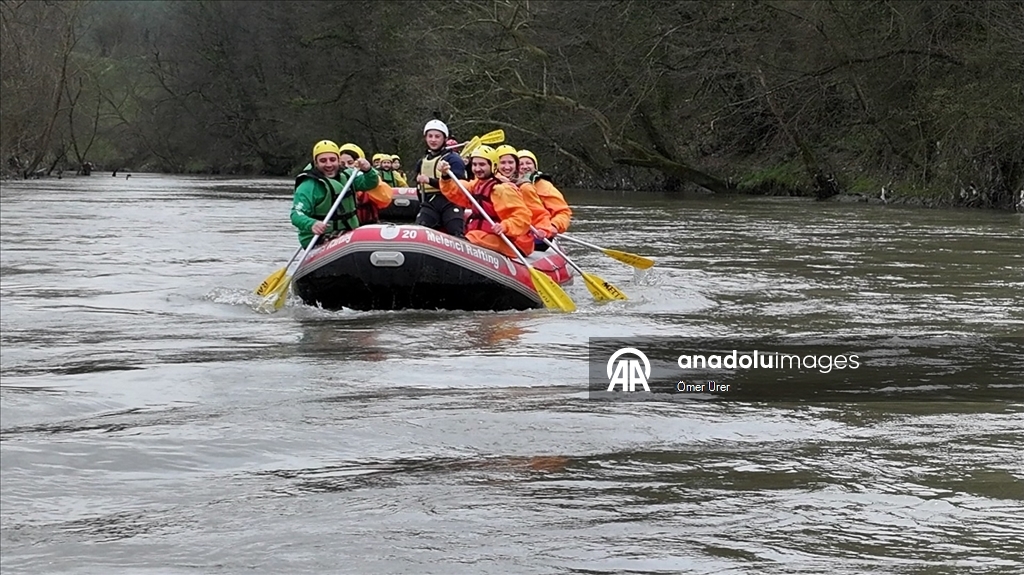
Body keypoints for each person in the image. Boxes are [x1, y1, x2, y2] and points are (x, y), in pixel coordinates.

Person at [437, 145, 534, 258]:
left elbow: (523, 217)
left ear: (493, 165)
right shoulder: (477, 185)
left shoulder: (502, 189)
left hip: (510, 242)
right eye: (475, 165)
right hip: (487, 235)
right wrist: (445, 177)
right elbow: (456, 190)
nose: (477, 169)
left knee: (474, 237)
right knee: (473, 235)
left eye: (482, 165)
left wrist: (505, 226)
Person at [290, 140, 379, 248]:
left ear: (338, 160)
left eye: (332, 160)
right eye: (323, 161)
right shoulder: (308, 185)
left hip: (347, 230)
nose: (329, 164)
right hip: (320, 237)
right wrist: (312, 223)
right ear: (316, 163)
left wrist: (368, 170)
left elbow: (370, 183)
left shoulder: (348, 175)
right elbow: (296, 214)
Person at [492, 145, 557, 251]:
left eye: (511, 163)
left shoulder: (527, 187)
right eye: (503, 163)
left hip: (518, 234)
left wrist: (551, 227)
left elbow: (537, 213)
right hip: (497, 230)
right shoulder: (487, 182)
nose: (507, 167)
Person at [413, 120, 467, 237]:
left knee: (456, 231)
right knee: (419, 229)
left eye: (437, 136)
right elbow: (419, 188)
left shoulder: (454, 159)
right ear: (425, 138)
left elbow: (459, 186)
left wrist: (430, 181)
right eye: (430, 136)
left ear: (445, 139)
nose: (433, 140)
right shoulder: (422, 161)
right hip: (430, 203)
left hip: (451, 202)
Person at [517, 149, 572, 234]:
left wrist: (555, 225)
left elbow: (563, 212)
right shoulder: (506, 184)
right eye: (521, 164)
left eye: (528, 163)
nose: (525, 167)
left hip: (540, 231)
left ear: (535, 167)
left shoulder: (544, 186)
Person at [338, 143, 391, 225]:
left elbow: (385, 199)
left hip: (367, 224)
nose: (347, 167)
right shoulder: (338, 180)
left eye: (350, 163)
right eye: (342, 164)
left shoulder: (370, 178)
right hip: (346, 225)